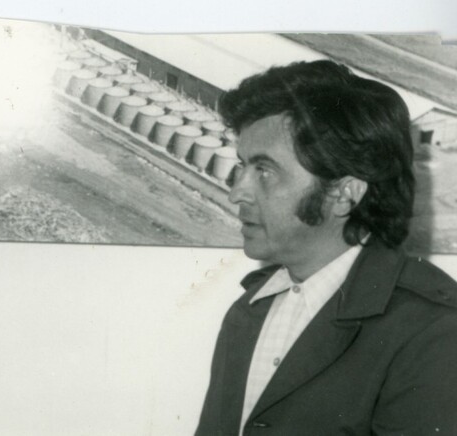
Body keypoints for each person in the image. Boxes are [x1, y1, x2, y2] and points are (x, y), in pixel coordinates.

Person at [195, 60, 457, 435]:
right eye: (243, 167)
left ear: (344, 193)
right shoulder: (249, 309)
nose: (237, 192)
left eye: (264, 170)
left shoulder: (434, 331)